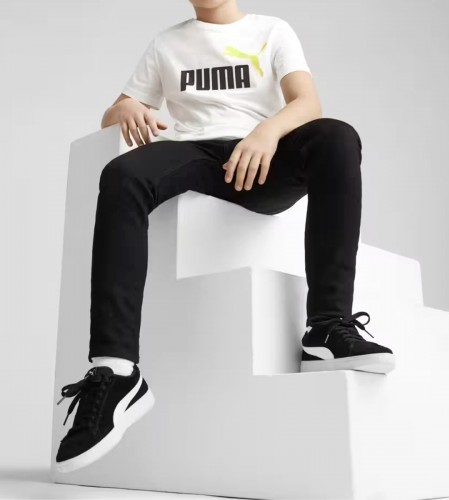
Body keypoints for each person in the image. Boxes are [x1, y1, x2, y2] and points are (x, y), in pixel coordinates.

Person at [54, 0, 395, 474]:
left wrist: (266, 132)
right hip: (196, 153)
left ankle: (327, 326)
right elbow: (115, 114)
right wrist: (125, 106)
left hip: (262, 158)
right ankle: (116, 373)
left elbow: (307, 102)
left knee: (337, 137)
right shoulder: (167, 43)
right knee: (122, 175)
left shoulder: (272, 30)